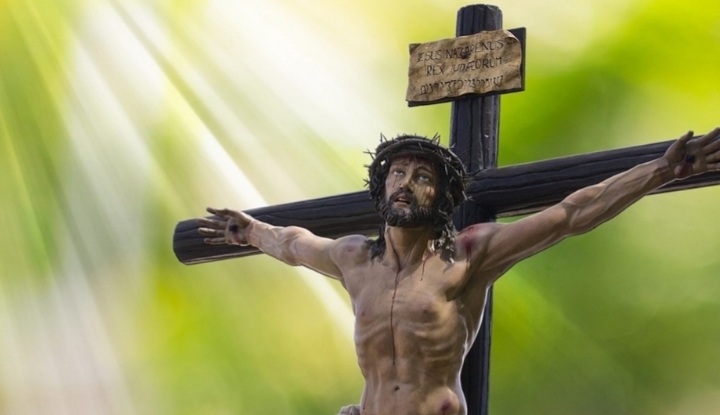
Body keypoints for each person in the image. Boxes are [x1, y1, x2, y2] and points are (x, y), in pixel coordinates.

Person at [197, 128, 720, 415]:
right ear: (382, 188)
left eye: (422, 177)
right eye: (397, 173)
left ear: (441, 196)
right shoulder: (354, 259)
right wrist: (250, 230)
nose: (406, 183)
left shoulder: (468, 256)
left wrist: (661, 170)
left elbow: (570, 214)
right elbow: (292, 243)